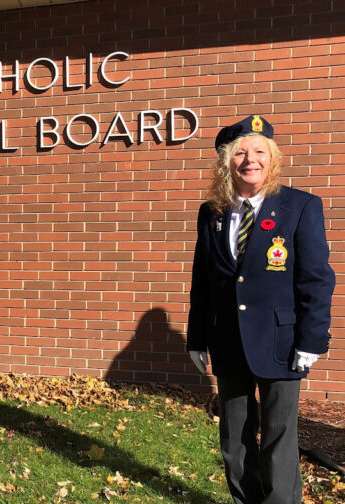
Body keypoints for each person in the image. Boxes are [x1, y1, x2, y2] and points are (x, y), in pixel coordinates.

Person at [186, 116, 334, 504]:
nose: (250, 160)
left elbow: (316, 279)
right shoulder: (212, 212)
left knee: (279, 437)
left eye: (258, 151)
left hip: (282, 342)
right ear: (226, 163)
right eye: (240, 152)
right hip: (228, 339)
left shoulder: (300, 206)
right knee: (235, 436)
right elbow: (203, 280)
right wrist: (197, 338)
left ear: (272, 158)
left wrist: (312, 340)